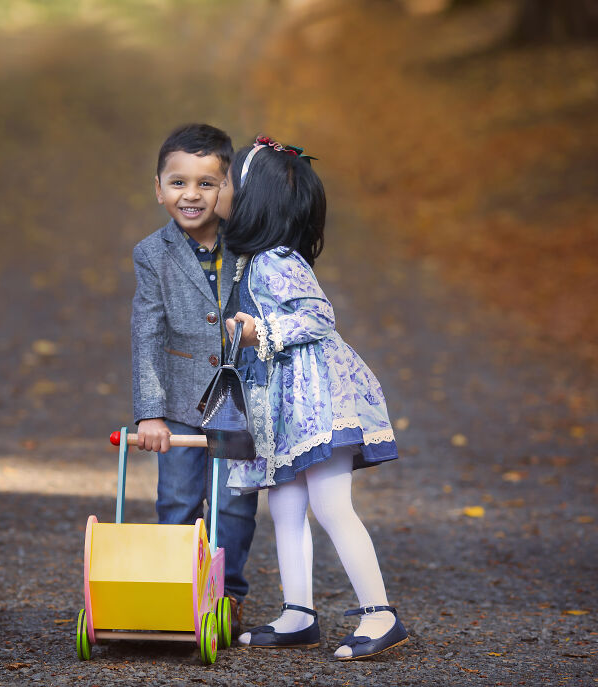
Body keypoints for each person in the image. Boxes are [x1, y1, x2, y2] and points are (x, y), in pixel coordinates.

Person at [214, 135, 408, 660]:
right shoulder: (253, 260)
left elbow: (320, 316)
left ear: (256, 201)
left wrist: (264, 332)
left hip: (319, 402)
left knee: (329, 503)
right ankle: (298, 612)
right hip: (290, 406)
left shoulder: (276, 259)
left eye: (230, 183)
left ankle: (379, 612)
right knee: (286, 503)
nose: (221, 190)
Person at [130, 123, 259, 634]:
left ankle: (228, 593)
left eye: (207, 183)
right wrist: (149, 412)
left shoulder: (249, 247)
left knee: (234, 504)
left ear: (225, 188)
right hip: (181, 405)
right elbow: (147, 333)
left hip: (241, 402)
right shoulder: (151, 253)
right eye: (179, 182)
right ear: (159, 188)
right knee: (179, 500)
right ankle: (175, 591)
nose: (192, 194)